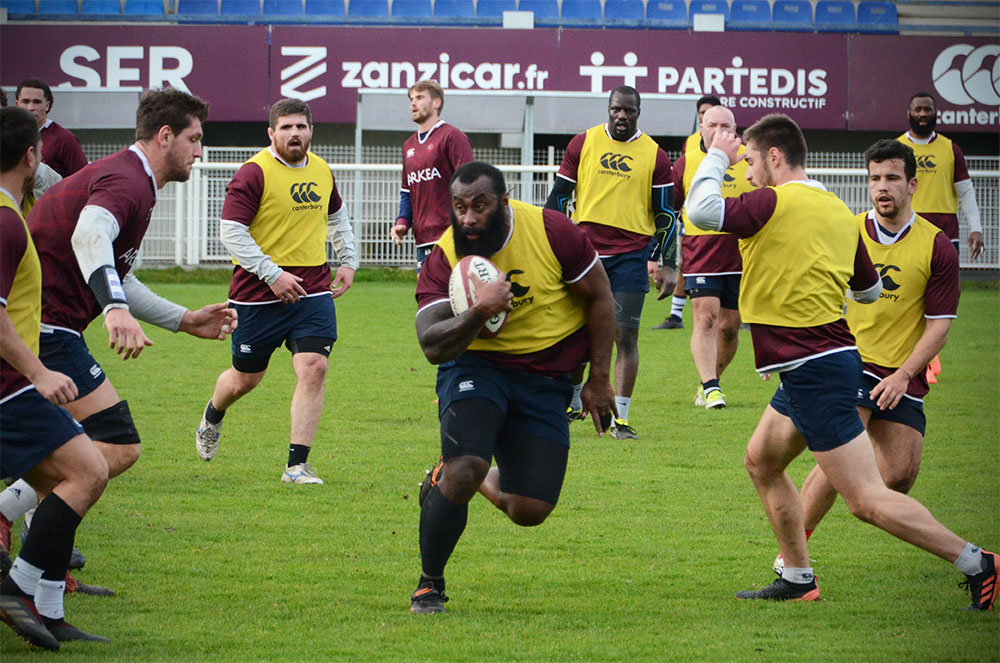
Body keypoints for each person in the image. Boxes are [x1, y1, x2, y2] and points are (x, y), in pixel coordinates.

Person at [687, 113, 997, 610]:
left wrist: (716, 151)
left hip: (815, 365)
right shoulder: (835, 208)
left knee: (867, 499)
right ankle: (796, 575)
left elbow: (701, 212)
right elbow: (870, 289)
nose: (744, 174)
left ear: (773, 157)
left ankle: (980, 562)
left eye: (748, 162)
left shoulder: (774, 200)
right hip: (811, 362)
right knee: (761, 460)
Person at [0, 89, 236, 595]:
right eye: (194, 139)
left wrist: (184, 319)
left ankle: (45, 575)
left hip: (48, 325)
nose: (200, 152)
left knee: (80, 456)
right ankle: (16, 535)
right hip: (43, 327)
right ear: (165, 136)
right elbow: (89, 239)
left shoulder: (134, 182)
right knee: (115, 447)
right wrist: (113, 311)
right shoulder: (129, 179)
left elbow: (113, 273)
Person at [409, 161, 617, 614]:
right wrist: (478, 312)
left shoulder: (551, 232)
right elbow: (430, 343)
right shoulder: (444, 255)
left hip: (546, 378)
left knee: (529, 508)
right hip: (476, 366)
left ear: (503, 203)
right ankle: (430, 585)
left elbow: (602, 297)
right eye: (459, 207)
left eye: (479, 206)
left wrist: (599, 379)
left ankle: (444, 477)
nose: (467, 218)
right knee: (467, 465)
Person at [771, 138, 961, 574]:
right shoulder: (847, 230)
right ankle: (792, 562)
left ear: (912, 184)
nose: (882, 187)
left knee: (897, 476)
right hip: (848, 362)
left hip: (902, 374)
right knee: (840, 462)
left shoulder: (937, 246)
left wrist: (905, 374)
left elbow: (939, 325)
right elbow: (809, 293)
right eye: (874, 178)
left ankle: (854, 503)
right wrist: (787, 344)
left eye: (892, 178)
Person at [195, 98, 358, 485]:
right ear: (271, 133)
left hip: (313, 289)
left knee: (314, 367)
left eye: (301, 126)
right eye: (285, 127)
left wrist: (348, 259)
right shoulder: (253, 173)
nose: (294, 134)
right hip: (257, 293)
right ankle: (213, 415)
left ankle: (296, 466)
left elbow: (336, 217)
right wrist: (272, 274)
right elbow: (231, 231)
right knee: (245, 379)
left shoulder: (321, 169)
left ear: (311, 131)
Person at [0, 106, 110, 650]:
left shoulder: (11, 211)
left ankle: (47, 608)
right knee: (89, 470)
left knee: (66, 476)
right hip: (8, 385)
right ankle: (17, 587)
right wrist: (38, 371)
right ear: (30, 154)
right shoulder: (3, 218)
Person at [545, 85, 676, 440]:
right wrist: (549, 244)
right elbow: (557, 198)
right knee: (575, 332)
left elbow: (666, 213)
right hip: (584, 255)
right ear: (608, 109)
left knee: (625, 336)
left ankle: (621, 419)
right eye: (617, 109)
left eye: (629, 111)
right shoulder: (582, 143)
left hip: (631, 257)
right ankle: (573, 401)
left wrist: (669, 263)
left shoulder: (655, 155)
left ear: (638, 112)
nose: (622, 116)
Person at [672, 105, 754, 410]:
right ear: (701, 128)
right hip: (701, 250)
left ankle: (710, 381)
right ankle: (712, 387)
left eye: (726, 126)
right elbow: (670, 210)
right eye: (712, 125)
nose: (719, 131)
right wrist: (663, 255)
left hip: (742, 250)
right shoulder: (685, 162)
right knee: (705, 317)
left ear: (735, 129)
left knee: (730, 327)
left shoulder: (749, 157)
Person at [653, 94, 722, 331]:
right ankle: (675, 315)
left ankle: (741, 316)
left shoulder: (735, 144)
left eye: (711, 113)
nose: (706, 118)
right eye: (703, 114)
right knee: (685, 263)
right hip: (693, 217)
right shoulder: (691, 143)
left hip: (724, 219)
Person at [390, 80, 474, 272]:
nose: (413, 103)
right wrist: (402, 223)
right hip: (423, 240)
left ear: (436, 103)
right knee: (428, 299)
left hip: (453, 237)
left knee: (460, 299)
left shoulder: (452, 137)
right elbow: (407, 192)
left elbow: (471, 184)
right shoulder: (408, 146)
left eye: (419, 97)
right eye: (411, 99)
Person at [898, 92, 984, 260]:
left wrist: (976, 228)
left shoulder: (951, 149)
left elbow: (965, 191)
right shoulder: (896, 148)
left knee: (947, 285)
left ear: (936, 113)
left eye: (928, 109)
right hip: (906, 228)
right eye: (918, 109)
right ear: (909, 113)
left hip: (946, 231)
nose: (923, 114)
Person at [15, 78, 88, 178]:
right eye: (25, 101)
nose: (30, 107)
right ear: (17, 104)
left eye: (37, 102)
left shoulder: (65, 139)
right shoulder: (9, 136)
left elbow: (84, 181)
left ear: (47, 106)